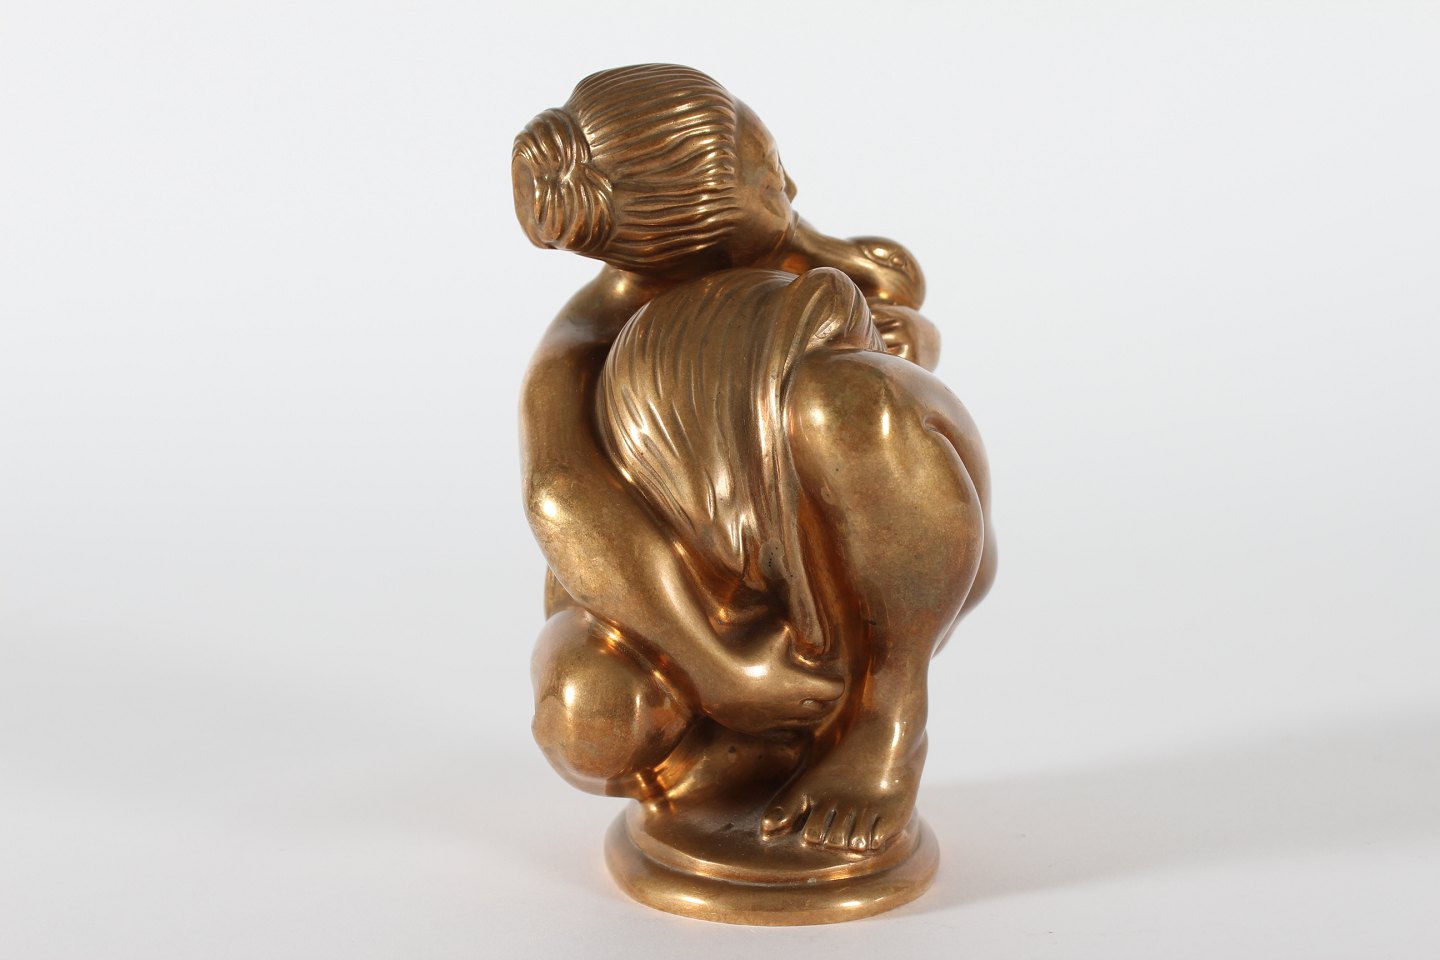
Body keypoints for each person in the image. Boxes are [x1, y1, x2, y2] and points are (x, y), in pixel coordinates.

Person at [515, 64, 995, 852]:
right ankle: (732, 754)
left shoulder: (795, 270)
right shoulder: (578, 347)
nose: (792, 187)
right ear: (699, 211)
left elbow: (906, 346)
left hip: (857, 564)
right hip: (677, 604)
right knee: (589, 720)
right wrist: (715, 666)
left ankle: (885, 718)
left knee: (848, 400)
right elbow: (563, 499)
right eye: (770, 172)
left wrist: (885, 330)